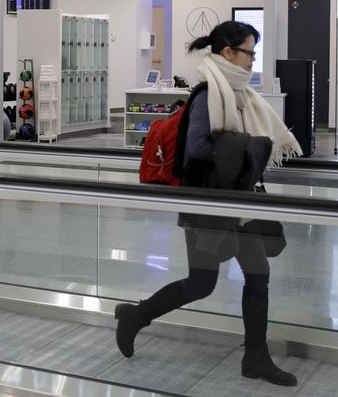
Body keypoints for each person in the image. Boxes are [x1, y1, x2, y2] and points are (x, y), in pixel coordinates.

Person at [114, 21, 303, 387]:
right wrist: (252, 145)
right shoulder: (207, 94)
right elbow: (198, 148)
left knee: (258, 275)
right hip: (207, 203)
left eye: (253, 53)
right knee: (202, 283)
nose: (252, 60)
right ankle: (136, 317)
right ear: (227, 52)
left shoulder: (241, 94)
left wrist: (249, 148)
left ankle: (256, 356)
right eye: (248, 52)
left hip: (240, 202)